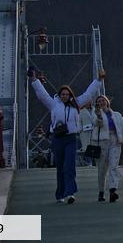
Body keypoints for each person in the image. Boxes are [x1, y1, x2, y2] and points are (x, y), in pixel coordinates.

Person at [29, 66, 105, 204]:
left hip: (70, 139)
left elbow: (89, 94)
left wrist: (98, 80)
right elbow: (43, 95)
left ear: (70, 95)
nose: (64, 96)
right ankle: (60, 194)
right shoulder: (53, 105)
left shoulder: (76, 105)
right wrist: (34, 80)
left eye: (66, 94)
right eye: (62, 94)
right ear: (59, 95)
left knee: (69, 165)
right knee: (60, 167)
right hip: (57, 139)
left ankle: (70, 193)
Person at [90, 95, 123, 203]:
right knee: (102, 169)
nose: (101, 102)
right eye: (99, 101)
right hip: (101, 143)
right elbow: (96, 123)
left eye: (103, 100)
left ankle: (112, 190)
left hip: (115, 141)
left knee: (113, 166)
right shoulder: (95, 114)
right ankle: (101, 191)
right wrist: (99, 115)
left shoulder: (117, 115)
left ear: (107, 102)